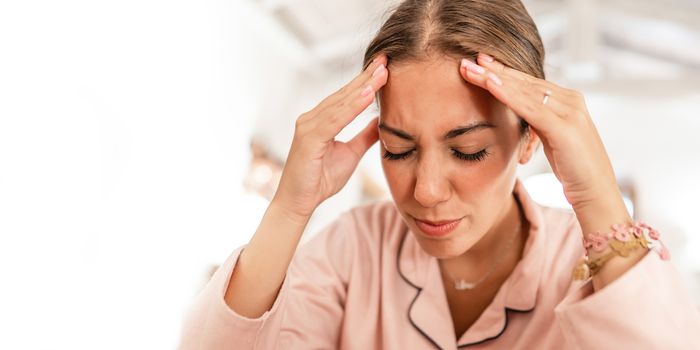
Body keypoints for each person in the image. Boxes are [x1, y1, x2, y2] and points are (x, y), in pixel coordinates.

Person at [178, 0, 700, 349]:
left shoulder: (582, 264)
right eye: (397, 149)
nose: (424, 191)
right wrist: (289, 208)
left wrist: (599, 196)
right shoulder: (355, 248)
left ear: (530, 138)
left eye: (469, 150)